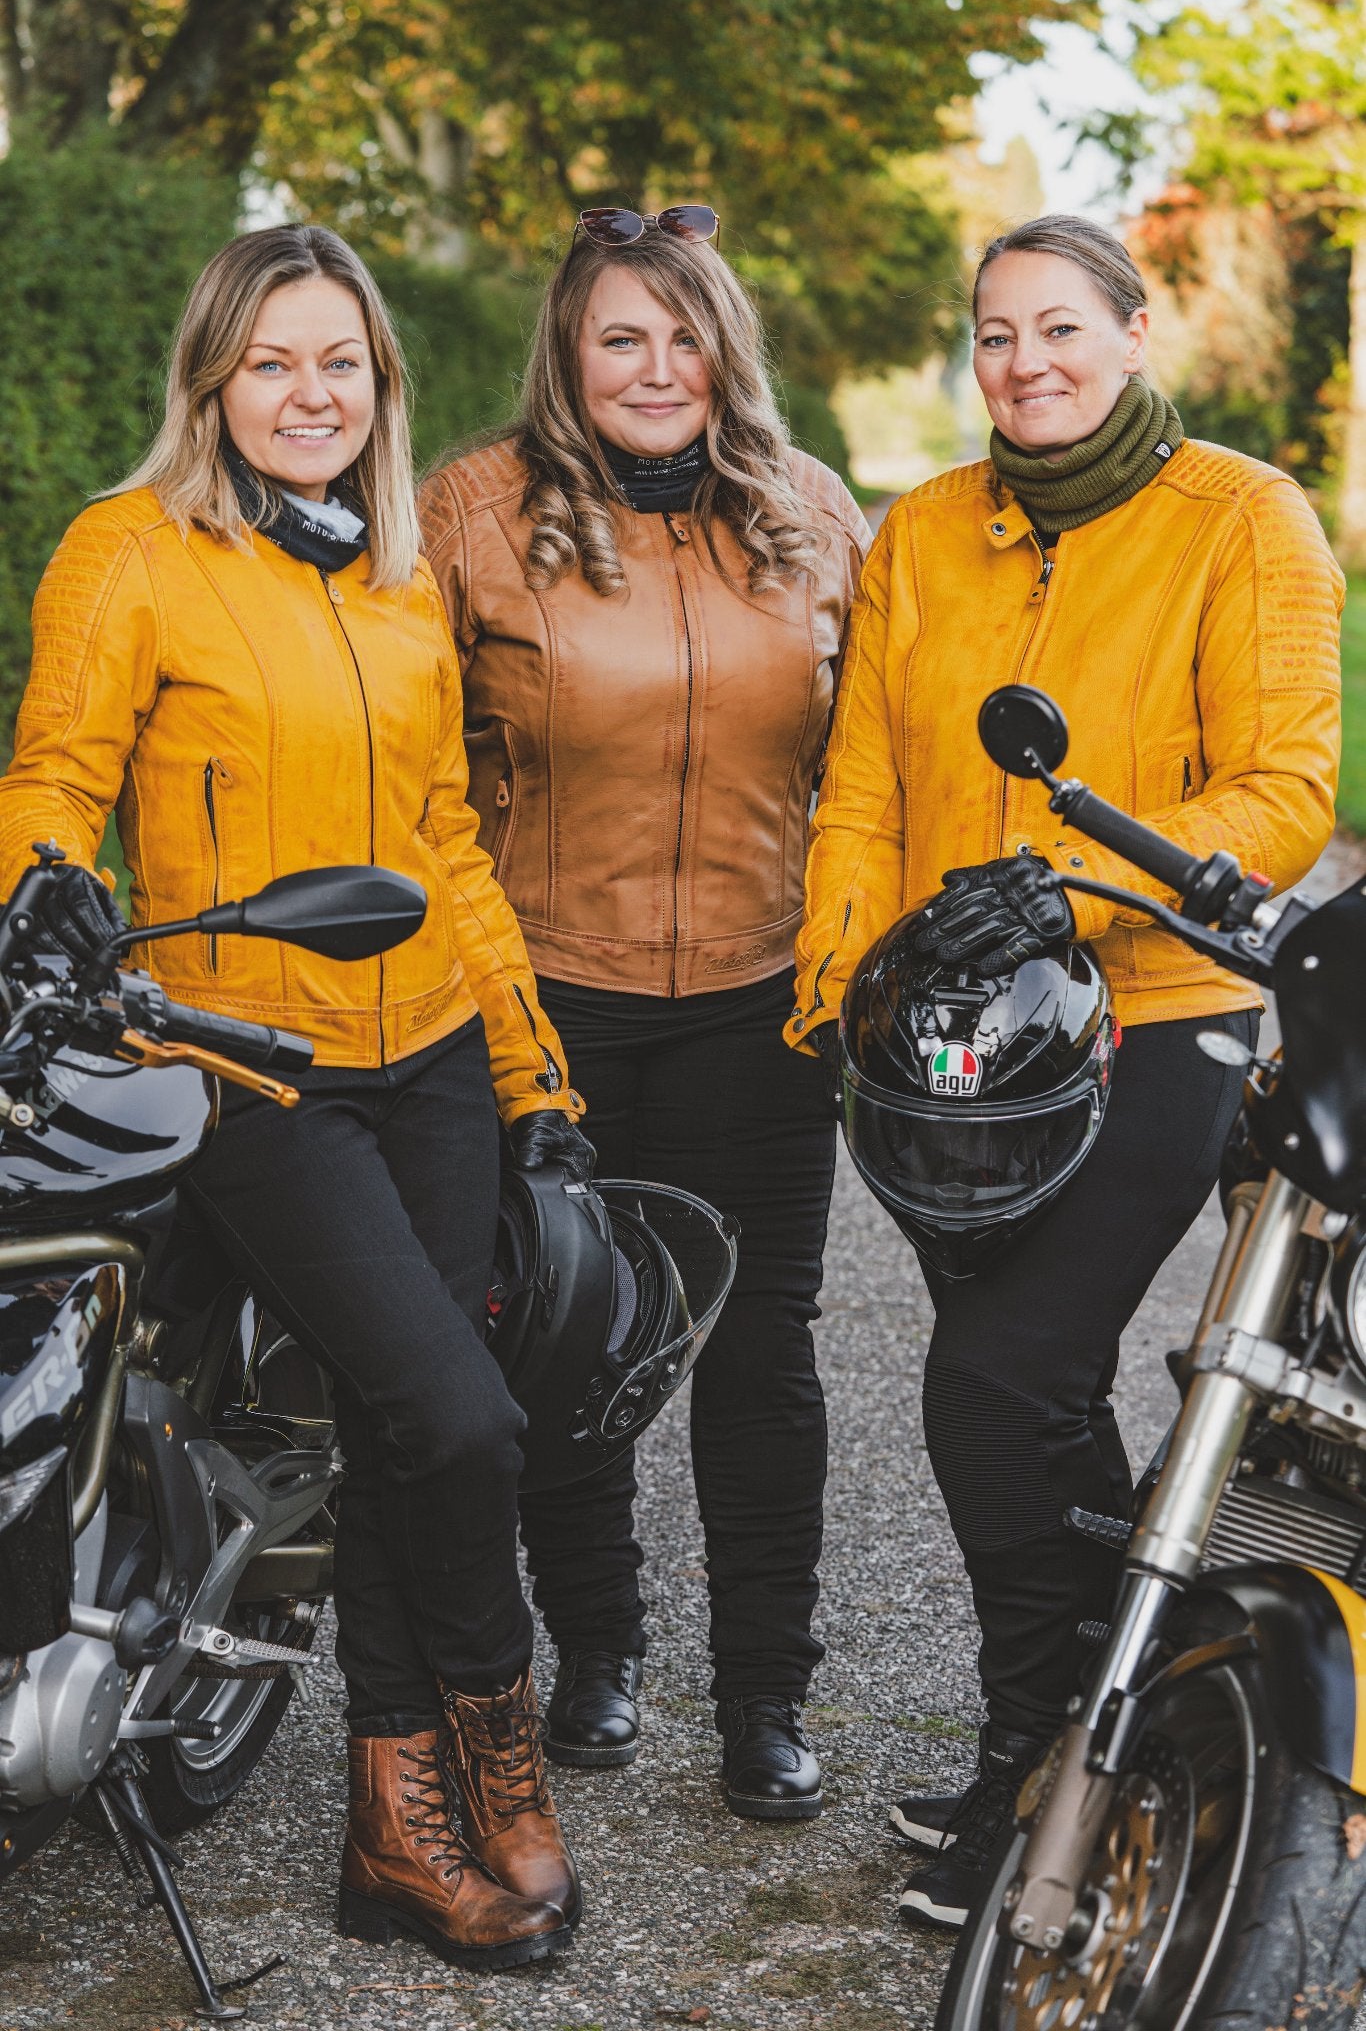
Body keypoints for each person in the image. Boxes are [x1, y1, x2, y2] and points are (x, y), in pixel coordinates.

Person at [0, 225, 593, 1971]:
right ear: (212, 380)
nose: (309, 394)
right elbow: (53, 779)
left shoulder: (397, 575)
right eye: (273, 362)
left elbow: (439, 846)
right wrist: (46, 897)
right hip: (242, 1064)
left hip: (426, 1055)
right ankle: (486, 1761)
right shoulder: (132, 552)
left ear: (382, 390)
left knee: (416, 1428)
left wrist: (527, 1062)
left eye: (341, 363)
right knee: (461, 1417)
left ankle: (401, 1829)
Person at [791, 213, 1343, 1926]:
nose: (1023, 364)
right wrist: (840, 990)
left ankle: (1045, 1762)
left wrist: (1109, 874)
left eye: (1058, 330)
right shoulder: (920, 533)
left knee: (992, 1392)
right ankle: (1099, 1749)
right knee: (1019, 1406)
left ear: (1133, 327)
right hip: (955, 1048)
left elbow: (1287, 785)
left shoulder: (1245, 518)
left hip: (1153, 1010)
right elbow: (865, 785)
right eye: (992, 335)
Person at [418, 206, 871, 1819]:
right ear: (570, 350)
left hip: (760, 1002)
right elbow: (411, 771)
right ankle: (597, 1646)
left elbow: (867, 763)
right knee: (567, 1340)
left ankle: (766, 1694)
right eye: (622, 336)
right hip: (551, 995)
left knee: (762, 1354)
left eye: (685, 336)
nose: (656, 368)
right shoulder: (473, 511)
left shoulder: (809, 511)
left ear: (723, 351)